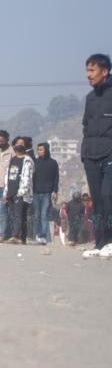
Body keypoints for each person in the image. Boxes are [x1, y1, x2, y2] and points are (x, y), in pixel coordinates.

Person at [81, 52, 112, 258]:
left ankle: (110, 241)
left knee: (108, 196)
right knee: (98, 201)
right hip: (91, 156)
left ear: (105, 71)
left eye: (92, 70)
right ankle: (100, 243)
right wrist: (84, 154)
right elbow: (86, 126)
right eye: (87, 70)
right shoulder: (90, 98)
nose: (88, 75)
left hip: (110, 154)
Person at [0, 136, 34, 245]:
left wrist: (21, 192)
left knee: (19, 215)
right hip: (11, 192)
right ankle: (18, 237)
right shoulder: (13, 160)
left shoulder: (27, 160)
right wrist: (6, 193)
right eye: (17, 144)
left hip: (21, 193)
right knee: (14, 216)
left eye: (21, 144)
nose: (19, 146)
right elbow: (8, 176)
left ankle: (17, 236)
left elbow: (27, 178)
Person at [32, 142, 59, 244]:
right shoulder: (35, 162)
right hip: (35, 193)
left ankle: (43, 236)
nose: (39, 152)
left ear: (46, 150)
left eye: (41, 150)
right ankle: (37, 235)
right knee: (37, 215)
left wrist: (55, 191)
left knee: (44, 215)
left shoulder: (53, 163)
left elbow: (56, 178)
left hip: (47, 193)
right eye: (38, 150)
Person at [0, 130, 13, 239]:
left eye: (2, 141)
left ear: (7, 140)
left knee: (3, 212)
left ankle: (3, 234)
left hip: (7, 187)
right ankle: (5, 234)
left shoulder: (12, 152)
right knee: (0, 212)